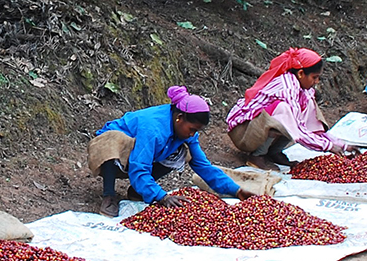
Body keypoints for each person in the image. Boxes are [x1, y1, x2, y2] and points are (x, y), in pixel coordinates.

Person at [89, 86, 253, 218]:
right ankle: (109, 195)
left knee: (184, 153)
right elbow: (139, 167)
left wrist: (235, 190)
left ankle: (138, 190)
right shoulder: (152, 129)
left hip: (145, 151)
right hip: (118, 148)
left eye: (196, 131)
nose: (192, 134)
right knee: (111, 142)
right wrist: (161, 196)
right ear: (179, 118)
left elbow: (204, 166)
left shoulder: (187, 133)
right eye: (192, 129)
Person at [226, 48, 350, 167]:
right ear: (301, 73)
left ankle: (274, 152)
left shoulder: (303, 89)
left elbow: (312, 126)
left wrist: (341, 145)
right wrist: (328, 146)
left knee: (309, 105)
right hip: (244, 131)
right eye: (314, 77)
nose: (317, 81)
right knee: (284, 109)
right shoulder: (287, 88)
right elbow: (298, 129)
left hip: (256, 125)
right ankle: (257, 156)